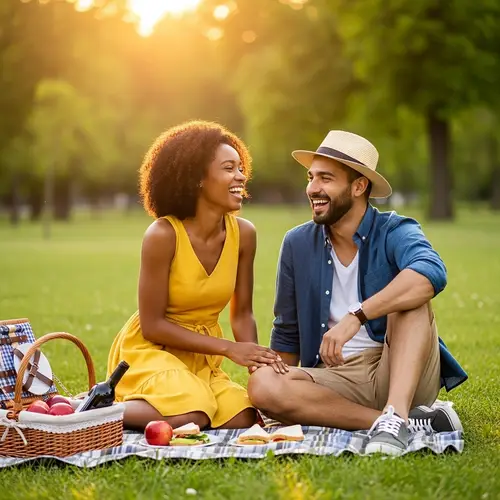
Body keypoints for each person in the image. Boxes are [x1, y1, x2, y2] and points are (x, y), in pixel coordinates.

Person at [248, 130, 467, 455]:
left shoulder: (395, 230)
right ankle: (395, 422)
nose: (313, 189)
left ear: (359, 186)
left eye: (326, 178)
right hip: (334, 380)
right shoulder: (296, 243)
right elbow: (287, 332)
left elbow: (430, 273)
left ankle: (398, 410)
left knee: (410, 298)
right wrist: (272, 399)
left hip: (398, 368)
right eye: (311, 178)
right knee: (261, 383)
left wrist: (357, 315)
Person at [107, 120, 284, 431]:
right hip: (152, 351)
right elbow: (152, 326)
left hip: (201, 358)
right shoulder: (163, 234)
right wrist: (229, 348)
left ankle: (166, 402)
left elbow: (242, 313)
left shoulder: (244, 234)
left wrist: (257, 365)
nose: (241, 176)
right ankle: (98, 409)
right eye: (229, 168)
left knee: (242, 417)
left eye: (241, 168)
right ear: (198, 179)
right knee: (194, 414)